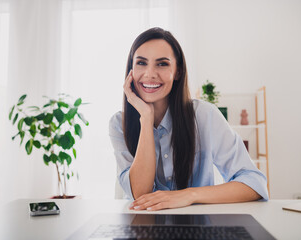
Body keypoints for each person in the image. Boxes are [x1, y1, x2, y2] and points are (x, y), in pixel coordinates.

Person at [109, 27, 268, 211]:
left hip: (197, 225)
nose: (150, 73)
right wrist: (146, 117)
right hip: (143, 228)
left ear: (178, 72)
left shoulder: (204, 115)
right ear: (131, 70)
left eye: (162, 64)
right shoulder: (118, 124)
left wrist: (189, 195)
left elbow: (254, 183)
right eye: (141, 63)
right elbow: (141, 193)